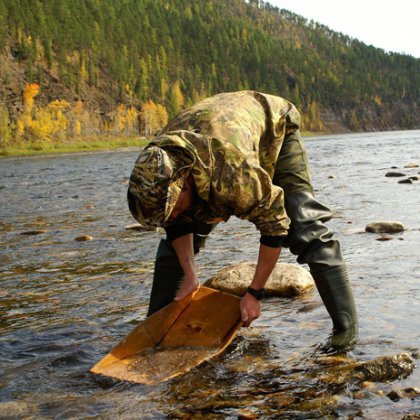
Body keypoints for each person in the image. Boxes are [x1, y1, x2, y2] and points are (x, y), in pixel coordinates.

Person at [127, 90, 357, 338]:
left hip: (275, 127)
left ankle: (347, 334)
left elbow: (274, 223)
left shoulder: (232, 171)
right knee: (181, 233)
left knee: (306, 228)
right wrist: (190, 276)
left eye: (171, 209)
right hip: (217, 138)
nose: (169, 218)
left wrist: (255, 292)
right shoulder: (156, 164)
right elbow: (176, 222)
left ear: (185, 183)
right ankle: (154, 333)